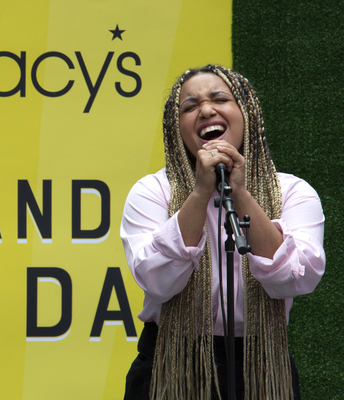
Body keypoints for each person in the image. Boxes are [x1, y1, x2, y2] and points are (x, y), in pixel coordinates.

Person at [120, 65, 325, 400]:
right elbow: (157, 281)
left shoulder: (292, 192)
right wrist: (200, 193)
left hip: (261, 366)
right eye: (190, 106)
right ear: (178, 128)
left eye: (219, 99)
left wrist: (241, 194)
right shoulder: (152, 192)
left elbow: (295, 278)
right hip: (172, 361)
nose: (205, 110)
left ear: (246, 113)